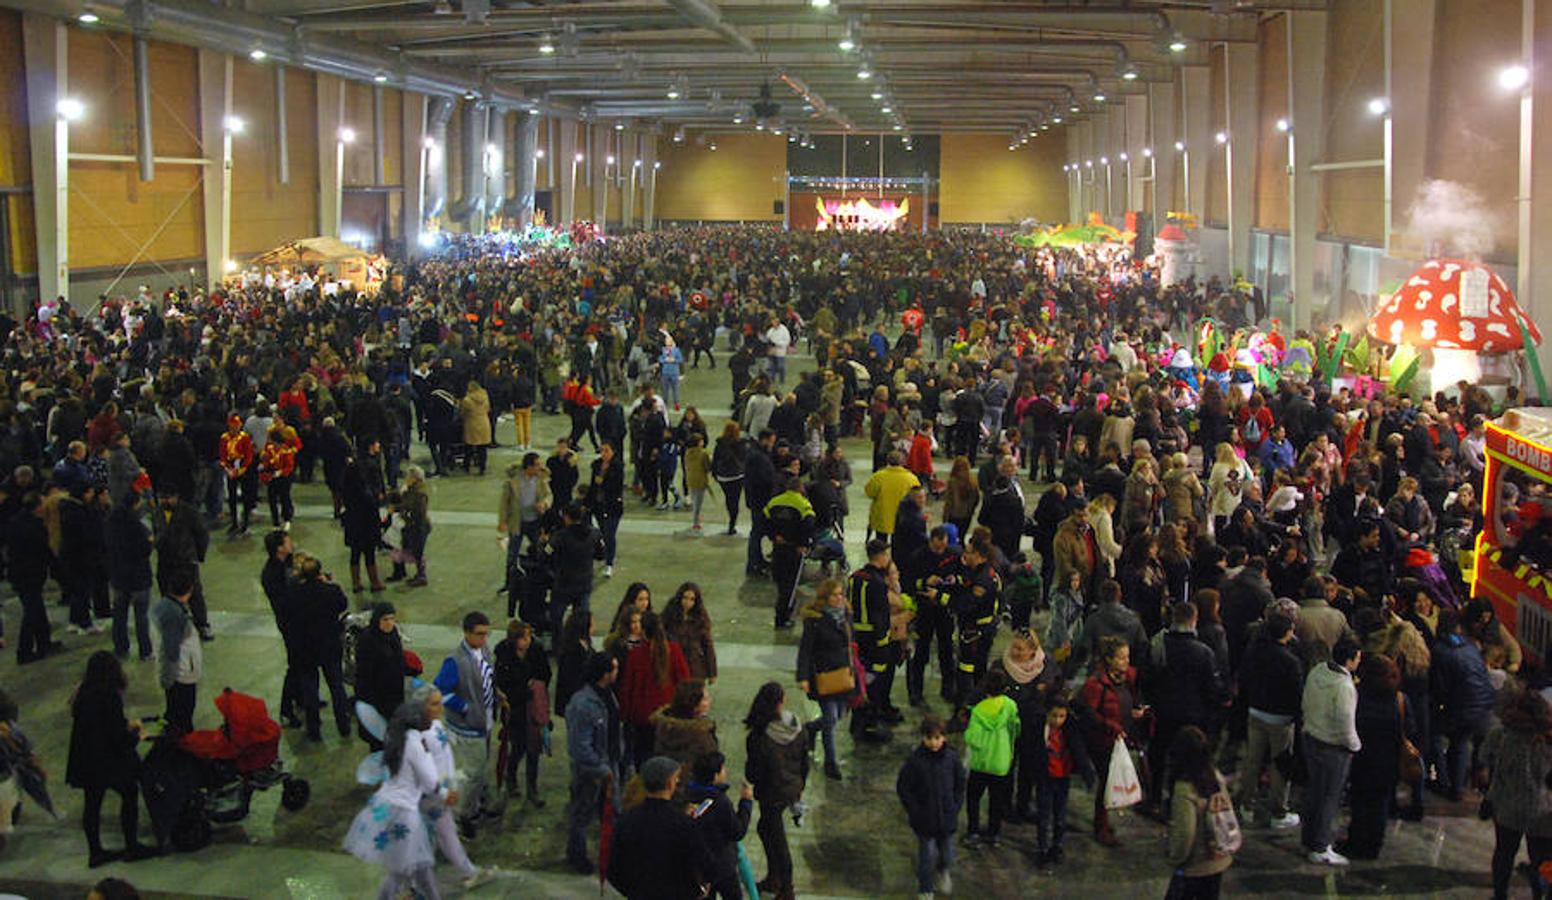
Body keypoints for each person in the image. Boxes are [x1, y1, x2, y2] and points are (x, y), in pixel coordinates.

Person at [342, 699, 444, 900]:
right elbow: (431, 782)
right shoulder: (415, 744)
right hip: (404, 813)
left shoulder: (397, 740)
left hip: (384, 807)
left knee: (418, 866)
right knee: (401, 870)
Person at [67, 652, 153, 868]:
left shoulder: (82, 692)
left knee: (92, 804)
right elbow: (117, 736)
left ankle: (95, 852)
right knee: (129, 793)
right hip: (107, 761)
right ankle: (132, 846)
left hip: (86, 759)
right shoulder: (109, 696)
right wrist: (135, 734)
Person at [608, 756, 720, 900]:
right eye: (676, 778)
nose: (678, 781)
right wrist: (697, 888)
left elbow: (613, 869)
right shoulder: (683, 824)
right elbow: (708, 866)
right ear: (669, 783)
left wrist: (633, 891)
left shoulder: (626, 821)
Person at [434, 612, 503, 838]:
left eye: (487, 634)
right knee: (473, 773)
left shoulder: (484, 651)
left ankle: (481, 803)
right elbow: (439, 692)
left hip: (486, 721)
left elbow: (487, 679)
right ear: (466, 633)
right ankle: (465, 815)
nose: (484, 639)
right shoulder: (455, 661)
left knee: (482, 767)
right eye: (480, 634)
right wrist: (464, 707)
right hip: (469, 727)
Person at [1481, 685, 1552, 900]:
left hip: (1507, 806)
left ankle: (1500, 894)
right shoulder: (1548, 739)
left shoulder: (1500, 734)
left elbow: (1485, 763)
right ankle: (1541, 894)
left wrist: (1488, 796)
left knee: (1504, 853)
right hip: (1544, 810)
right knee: (1543, 861)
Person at [1234, 611, 1303, 830]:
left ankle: (1246, 805)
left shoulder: (1254, 651)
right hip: (1280, 719)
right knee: (1280, 765)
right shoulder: (1290, 662)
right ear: (1286, 632)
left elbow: (1244, 679)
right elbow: (1296, 693)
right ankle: (1278, 811)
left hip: (1255, 712)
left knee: (1252, 760)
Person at [744, 682, 809, 900]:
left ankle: (785, 886)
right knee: (766, 828)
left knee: (775, 836)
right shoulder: (797, 728)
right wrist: (800, 785)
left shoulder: (758, 736)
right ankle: (775, 878)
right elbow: (804, 762)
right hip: (791, 788)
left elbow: (754, 772)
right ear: (781, 702)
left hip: (771, 792)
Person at [1302, 636, 1362, 866]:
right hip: (1333, 747)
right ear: (1350, 659)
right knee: (1329, 797)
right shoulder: (1344, 686)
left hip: (1311, 738)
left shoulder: (1318, 671)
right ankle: (1320, 846)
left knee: (1314, 793)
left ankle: (1309, 838)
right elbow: (1345, 721)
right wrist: (1354, 745)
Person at [1431, 608, 1499, 801]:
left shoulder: (1441, 651)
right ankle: (1459, 786)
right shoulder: (1470, 646)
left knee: (1438, 737)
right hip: (1484, 704)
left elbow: (1440, 688)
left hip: (1463, 706)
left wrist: (1438, 705)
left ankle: (1446, 782)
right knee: (1461, 742)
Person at [565, 653, 624, 874]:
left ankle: (614, 855)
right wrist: (602, 769)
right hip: (591, 771)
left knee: (613, 813)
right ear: (605, 674)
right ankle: (576, 855)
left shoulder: (607, 695)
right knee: (583, 813)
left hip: (610, 763)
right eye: (615, 669)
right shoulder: (583, 705)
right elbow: (579, 747)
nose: (618, 673)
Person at [896, 715, 966, 899]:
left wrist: (955, 805)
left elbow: (960, 782)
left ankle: (943, 870)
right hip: (925, 820)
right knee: (926, 856)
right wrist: (915, 811)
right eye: (930, 738)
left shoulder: (951, 758)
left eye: (937, 738)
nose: (934, 743)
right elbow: (904, 788)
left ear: (944, 737)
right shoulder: (915, 761)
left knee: (948, 853)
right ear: (923, 738)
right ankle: (925, 887)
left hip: (947, 817)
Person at [1343, 653, 1406, 860]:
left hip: (1362, 758)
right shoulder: (1399, 699)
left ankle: (1356, 842)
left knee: (1360, 803)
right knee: (1380, 805)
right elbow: (1412, 728)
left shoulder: (1357, 694)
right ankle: (1373, 846)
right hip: (1389, 760)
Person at [1079, 635, 1139, 847]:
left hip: (1117, 740)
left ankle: (1102, 822)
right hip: (1101, 742)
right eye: (1121, 658)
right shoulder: (1096, 685)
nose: (1126, 662)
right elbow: (1088, 713)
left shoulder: (1126, 678)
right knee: (1106, 783)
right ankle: (1101, 825)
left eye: (1127, 657)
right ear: (1109, 659)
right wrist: (1109, 726)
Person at [796, 577, 857, 780]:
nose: (839, 598)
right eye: (835, 595)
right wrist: (803, 677)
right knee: (830, 719)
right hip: (823, 675)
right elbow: (805, 650)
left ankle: (811, 728)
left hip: (843, 674)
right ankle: (831, 762)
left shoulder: (846, 616)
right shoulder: (815, 620)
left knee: (837, 716)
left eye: (841, 594)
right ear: (825, 597)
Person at [1165, 726, 1234, 899]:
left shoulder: (1184, 789)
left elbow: (1185, 833)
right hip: (1218, 859)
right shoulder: (1214, 776)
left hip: (1195, 866)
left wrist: (1175, 858)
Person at [288, 553, 352, 741]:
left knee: (310, 689)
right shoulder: (331, 591)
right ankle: (343, 725)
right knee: (336, 686)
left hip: (306, 648)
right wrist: (328, 583)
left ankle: (313, 729)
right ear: (319, 573)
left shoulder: (295, 594)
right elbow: (343, 604)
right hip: (330, 645)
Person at [618, 610, 690, 769]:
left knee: (643, 759)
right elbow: (684, 683)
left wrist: (624, 714)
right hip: (669, 715)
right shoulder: (674, 650)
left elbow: (628, 688)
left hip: (642, 717)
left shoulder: (636, 654)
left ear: (643, 632)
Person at [494, 619, 551, 806]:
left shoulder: (536, 651)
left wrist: (535, 686)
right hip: (515, 709)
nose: (528, 641)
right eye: (523, 637)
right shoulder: (504, 656)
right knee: (519, 746)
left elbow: (546, 674)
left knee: (534, 749)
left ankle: (532, 789)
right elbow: (502, 683)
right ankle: (511, 776)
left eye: (529, 636)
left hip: (533, 707)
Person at [684, 751, 755, 900]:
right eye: (722, 769)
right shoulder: (720, 801)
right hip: (722, 866)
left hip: (698, 867)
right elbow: (737, 831)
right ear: (715, 775)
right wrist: (746, 803)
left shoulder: (688, 795)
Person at [104, 490, 154, 661]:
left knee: (119, 615)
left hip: (118, 577)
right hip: (138, 578)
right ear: (135, 504)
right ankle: (145, 651)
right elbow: (144, 550)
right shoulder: (137, 526)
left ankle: (120, 647)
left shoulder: (110, 523)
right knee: (141, 616)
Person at [9, 492, 58, 663]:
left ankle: (44, 642)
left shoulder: (15, 521)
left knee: (37, 609)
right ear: (37, 507)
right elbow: (43, 551)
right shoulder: (36, 526)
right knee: (31, 613)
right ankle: (24, 652)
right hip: (29, 575)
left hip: (19, 573)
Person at [152, 569, 202, 733]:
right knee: (182, 717)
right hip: (181, 675)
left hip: (177, 674)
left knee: (175, 714)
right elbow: (171, 650)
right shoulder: (174, 615)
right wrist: (168, 678)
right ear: (189, 590)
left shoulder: (164, 607)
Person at [499, 452, 552, 605]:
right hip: (518, 522)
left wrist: (544, 504)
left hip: (534, 522)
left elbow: (548, 495)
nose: (539, 467)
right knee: (512, 554)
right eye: (536, 465)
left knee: (540, 551)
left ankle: (543, 580)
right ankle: (509, 583)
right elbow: (504, 502)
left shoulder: (541, 479)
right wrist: (502, 521)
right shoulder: (513, 481)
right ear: (528, 466)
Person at [547, 503, 605, 640]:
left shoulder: (560, 536)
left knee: (556, 616)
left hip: (563, 582)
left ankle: (558, 644)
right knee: (582, 619)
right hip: (584, 582)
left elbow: (545, 555)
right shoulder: (595, 534)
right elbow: (601, 555)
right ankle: (581, 642)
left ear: (566, 518)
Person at [765, 475, 817, 628]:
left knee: (781, 583)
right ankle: (783, 618)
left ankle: (784, 613)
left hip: (778, 547)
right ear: (800, 489)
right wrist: (804, 544)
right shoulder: (803, 505)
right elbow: (809, 525)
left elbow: (764, 521)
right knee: (791, 585)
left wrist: (774, 536)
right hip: (794, 549)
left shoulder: (774, 502)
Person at [354, 602, 407, 751]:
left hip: (394, 697)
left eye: (392, 618)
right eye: (385, 619)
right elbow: (364, 676)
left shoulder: (393, 634)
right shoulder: (367, 641)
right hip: (377, 700)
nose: (389, 623)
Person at [651, 679, 719, 769]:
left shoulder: (663, 728)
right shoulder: (700, 737)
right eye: (705, 699)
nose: (710, 701)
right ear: (694, 706)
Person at [662, 582, 718, 682]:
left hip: (694, 666)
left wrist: (712, 672)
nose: (687, 602)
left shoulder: (700, 619)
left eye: (692, 599)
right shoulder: (668, 616)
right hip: (673, 665)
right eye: (685, 598)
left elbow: (708, 645)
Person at [584, 441, 625, 577]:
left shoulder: (617, 467)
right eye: (602, 451)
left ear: (613, 451)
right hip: (599, 505)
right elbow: (592, 485)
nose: (604, 454)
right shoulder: (596, 465)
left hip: (612, 505)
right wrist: (587, 503)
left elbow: (617, 486)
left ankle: (609, 563)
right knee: (602, 531)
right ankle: (608, 553)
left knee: (609, 533)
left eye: (607, 451)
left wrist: (604, 481)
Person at [864, 450, 921, 544]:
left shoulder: (878, 476)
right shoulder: (911, 478)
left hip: (882, 516)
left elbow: (869, 493)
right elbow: (917, 498)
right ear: (903, 462)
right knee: (899, 544)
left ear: (888, 461)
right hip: (903, 518)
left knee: (881, 542)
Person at [712, 421, 747, 535]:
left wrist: (714, 474)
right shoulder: (741, 444)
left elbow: (715, 460)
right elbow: (744, 459)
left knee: (728, 498)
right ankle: (732, 523)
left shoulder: (720, 443)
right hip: (737, 476)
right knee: (735, 500)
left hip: (723, 476)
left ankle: (731, 516)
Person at [458, 379, 492, 475]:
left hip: (471, 424)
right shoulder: (485, 397)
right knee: (483, 448)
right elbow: (488, 408)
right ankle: (482, 467)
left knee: (469, 447)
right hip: (484, 423)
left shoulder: (467, 400)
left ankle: (467, 466)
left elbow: (462, 413)